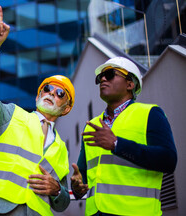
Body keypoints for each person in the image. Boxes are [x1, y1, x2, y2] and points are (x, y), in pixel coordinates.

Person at [0, 6, 75, 216]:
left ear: (67, 108)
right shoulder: (10, 115)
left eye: (60, 93)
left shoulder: (61, 149)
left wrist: (56, 190)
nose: (52, 93)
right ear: (37, 96)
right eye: (46, 88)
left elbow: (61, 204)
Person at [71, 57, 178, 216]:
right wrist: (77, 187)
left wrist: (117, 145)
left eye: (110, 74)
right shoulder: (92, 125)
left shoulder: (150, 114)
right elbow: (83, 179)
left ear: (130, 84)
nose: (103, 79)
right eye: (100, 77)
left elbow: (168, 160)